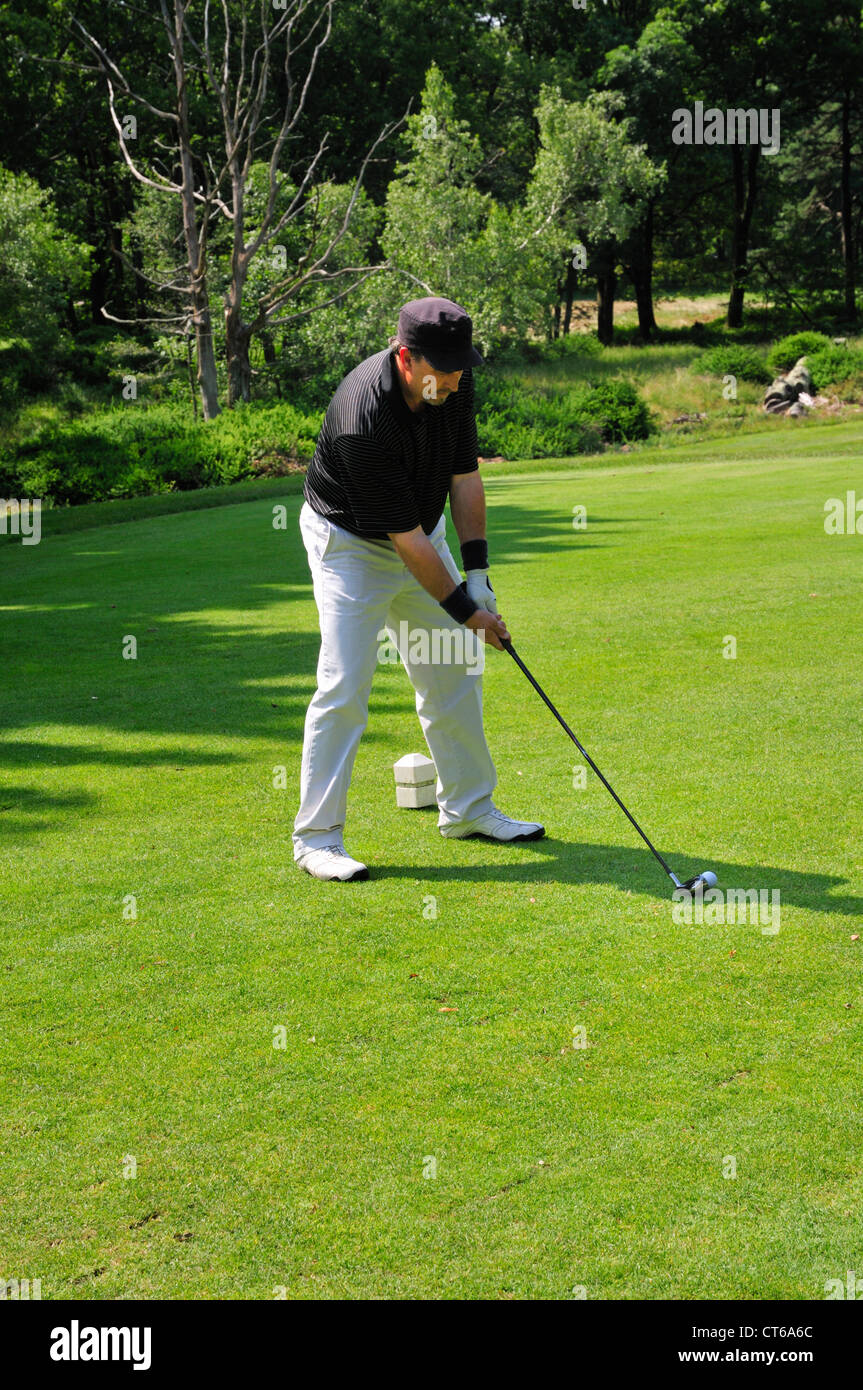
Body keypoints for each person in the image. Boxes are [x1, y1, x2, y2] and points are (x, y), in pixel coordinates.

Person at [293, 295, 545, 881]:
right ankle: (317, 838)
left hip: (420, 526)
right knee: (345, 684)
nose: (456, 381)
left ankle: (468, 809)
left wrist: (478, 577)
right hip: (351, 545)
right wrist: (466, 612)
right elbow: (405, 544)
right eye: (444, 369)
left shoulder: (452, 384)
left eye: (462, 368)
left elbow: (465, 476)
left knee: (453, 669)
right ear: (406, 358)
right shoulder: (363, 416)